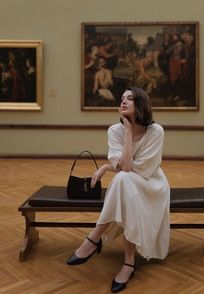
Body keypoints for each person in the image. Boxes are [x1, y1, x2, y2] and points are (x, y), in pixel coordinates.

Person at [67, 87, 170, 293]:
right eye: (122, 98)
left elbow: (137, 169)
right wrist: (126, 132)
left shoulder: (156, 131)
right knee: (124, 183)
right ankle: (128, 262)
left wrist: (110, 164)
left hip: (152, 185)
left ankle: (94, 238)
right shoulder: (115, 130)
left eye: (129, 99)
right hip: (129, 185)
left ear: (140, 103)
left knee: (123, 179)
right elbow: (125, 167)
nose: (123, 102)